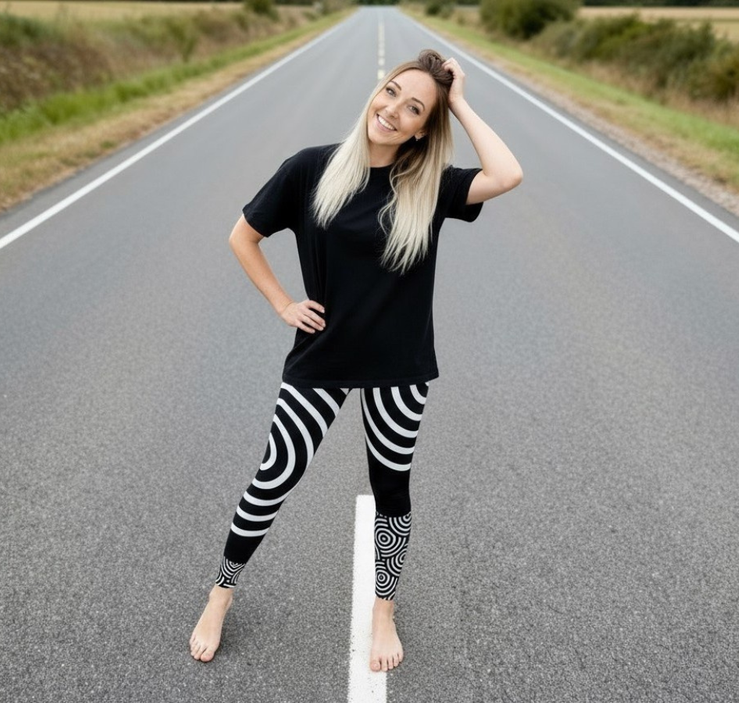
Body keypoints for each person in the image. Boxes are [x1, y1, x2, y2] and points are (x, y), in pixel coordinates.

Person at [189, 48, 522, 673]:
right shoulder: (312, 169)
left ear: (427, 124)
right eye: (392, 93)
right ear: (377, 91)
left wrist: (461, 102)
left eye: (415, 108)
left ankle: (384, 612)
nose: (393, 111)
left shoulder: (430, 185)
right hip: (322, 358)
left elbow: (506, 174)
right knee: (272, 479)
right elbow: (243, 236)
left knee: (391, 491)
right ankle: (219, 594)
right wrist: (283, 303)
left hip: (399, 368)